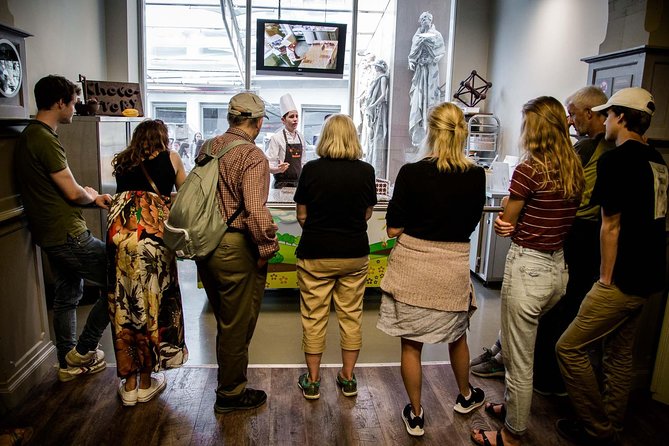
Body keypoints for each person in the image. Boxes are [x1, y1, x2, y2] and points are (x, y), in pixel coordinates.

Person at [555, 87, 667, 445]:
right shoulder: (657, 160)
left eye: (607, 114)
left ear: (619, 117)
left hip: (619, 279)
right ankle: (612, 428)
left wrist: (604, 279)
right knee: (619, 354)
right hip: (650, 275)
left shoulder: (614, 161)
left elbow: (610, 224)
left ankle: (598, 430)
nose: (602, 120)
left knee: (568, 348)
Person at [472, 96, 585, 446]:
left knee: (518, 360)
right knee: (525, 346)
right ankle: (511, 408)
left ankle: (512, 434)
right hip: (557, 270)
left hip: (528, 269)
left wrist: (508, 217)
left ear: (534, 128)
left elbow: (507, 220)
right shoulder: (574, 167)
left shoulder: (530, 169)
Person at [377, 103, 486, 437]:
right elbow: (472, 221)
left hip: (413, 268)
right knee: (457, 337)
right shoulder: (476, 174)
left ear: (431, 130)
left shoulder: (412, 173)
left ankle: (417, 413)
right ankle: (466, 396)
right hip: (452, 267)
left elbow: (393, 229)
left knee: (412, 344)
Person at [14, 75, 111, 382]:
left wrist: (83, 191)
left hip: (50, 233)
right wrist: (93, 197)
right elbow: (70, 192)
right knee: (120, 280)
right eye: (72, 102)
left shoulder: (30, 135)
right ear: (59, 103)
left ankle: (68, 363)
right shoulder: (44, 138)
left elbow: (58, 187)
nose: (74, 108)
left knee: (67, 295)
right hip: (68, 232)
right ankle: (83, 351)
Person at [196, 92, 279, 413]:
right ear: (258, 122)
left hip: (206, 242)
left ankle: (228, 382)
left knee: (224, 318)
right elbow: (255, 211)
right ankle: (230, 394)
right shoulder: (252, 155)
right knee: (236, 324)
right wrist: (267, 248)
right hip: (234, 246)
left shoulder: (209, 147)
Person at [533, 86, 614, 396]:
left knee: (557, 308)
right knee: (570, 306)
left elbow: (561, 189)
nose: (570, 120)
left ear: (589, 114)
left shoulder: (586, 149)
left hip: (577, 233)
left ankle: (546, 379)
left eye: (573, 114)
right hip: (592, 237)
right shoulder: (608, 146)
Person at [293, 114, 376, 400]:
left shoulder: (311, 170)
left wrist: (319, 228)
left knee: (314, 317)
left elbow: (301, 215)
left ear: (325, 137)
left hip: (315, 252)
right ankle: (348, 378)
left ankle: (313, 381)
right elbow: (367, 213)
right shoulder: (366, 171)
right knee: (351, 316)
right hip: (354, 253)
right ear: (353, 137)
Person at [107, 119, 189, 406]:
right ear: (163, 138)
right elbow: (187, 196)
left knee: (125, 305)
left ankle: (129, 382)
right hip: (152, 242)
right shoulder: (172, 158)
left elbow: (122, 197)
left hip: (119, 241)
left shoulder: (122, 161)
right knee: (153, 302)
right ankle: (145, 380)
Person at [408, 11, 446, 146]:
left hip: (431, 70)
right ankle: (419, 133)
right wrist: (411, 61)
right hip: (420, 71)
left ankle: (430, 133)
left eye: (428, 18)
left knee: (431, 99)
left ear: (431, 20)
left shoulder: (436, 35)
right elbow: (412, 53)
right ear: (420, 20)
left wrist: (434, 57)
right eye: (423, 18)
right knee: (418, 98)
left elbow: (441, 51)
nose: (425, 20)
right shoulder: (417, 35)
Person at [266, 93, 305, 188]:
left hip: (298, 184)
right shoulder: (276, 138)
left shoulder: (301, 137)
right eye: (291, 117)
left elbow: (302, 163)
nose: (295, 119)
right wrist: (278, 169)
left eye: (297, 116)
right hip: (281, 185)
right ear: (283, 120)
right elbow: (268, 166)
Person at [364, 59, 390, 178]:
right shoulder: (376, 78)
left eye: (376, 66)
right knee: (371, 137)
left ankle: (377, 173)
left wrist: (373, 105)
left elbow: (383, 95)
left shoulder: (383, 78)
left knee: (377, 136)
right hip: (373, 110)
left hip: (379, 110)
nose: (375, 68)